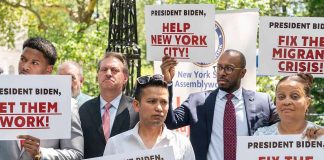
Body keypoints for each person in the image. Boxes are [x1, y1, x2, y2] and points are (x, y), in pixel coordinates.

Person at [161, 49, 279, 160]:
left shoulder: (262, 102)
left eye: (229, 68)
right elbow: (170, 122)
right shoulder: (197, 102)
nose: (222, 73)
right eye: (219, 68)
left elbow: (288, 125)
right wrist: (168, 83)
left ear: (242, 73)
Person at [0, 37, 83, 159]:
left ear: (48, 70)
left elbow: (76, 154)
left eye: (34, 63)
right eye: (23, 59)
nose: (25, 67)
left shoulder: (66, 104)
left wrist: (41, 153)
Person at [103, 74, 195, 160]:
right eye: (152, 101)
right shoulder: (115, 144)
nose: (159, 108)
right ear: (136, 105)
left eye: (164, 102)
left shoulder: (182, 144)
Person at [79, 52, 139, 158]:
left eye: (114, 70)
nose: (108, 73)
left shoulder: (137, 109)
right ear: (98, 75)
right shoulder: (83, 110)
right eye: (104, 69)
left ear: (125, 78)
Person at [254, 73, 323, 138]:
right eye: (281, 97)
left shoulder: (320, 134)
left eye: (295, 96)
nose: (286, 102)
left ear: (307, 102)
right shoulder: (261, 136)